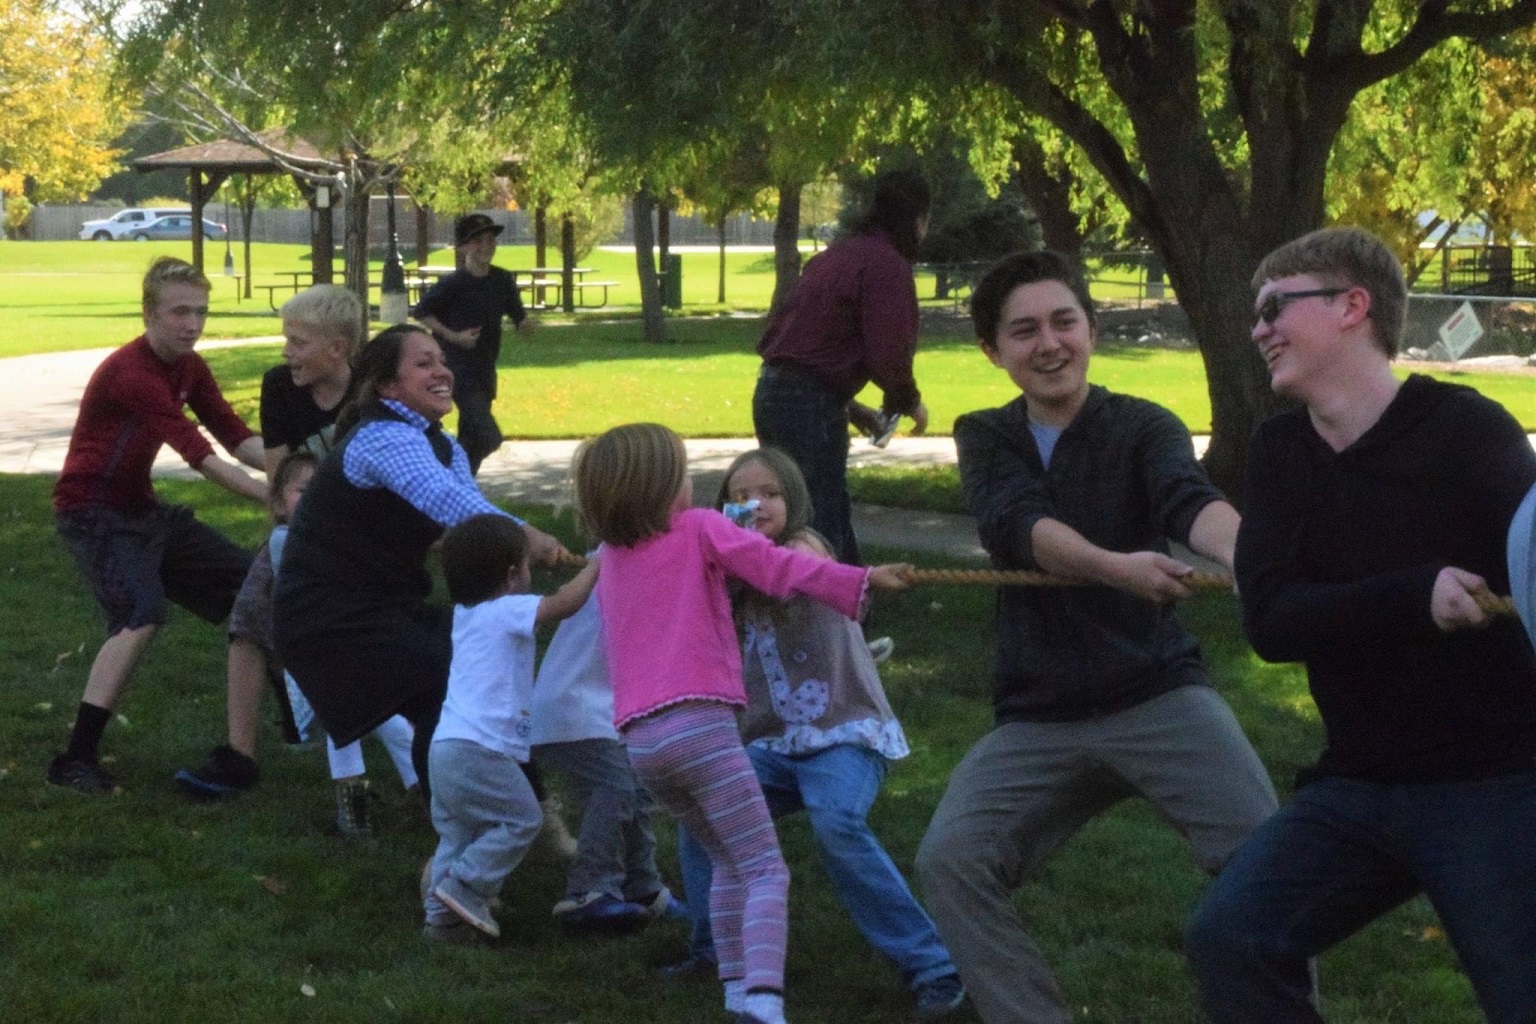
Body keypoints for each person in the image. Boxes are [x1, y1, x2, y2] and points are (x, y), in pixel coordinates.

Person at [913, 250, 1279, 1024]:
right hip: (1040, 711)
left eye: (1063, 321)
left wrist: (1248, 552)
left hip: (1157, 692)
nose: (1048, 344)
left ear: (1092, 327)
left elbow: (1188, 501)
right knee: (951, 861)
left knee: (1275, 867)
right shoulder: (986, 434)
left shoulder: (1145, 425)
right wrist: (1114, 567)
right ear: (993, 351)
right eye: (1023, 331)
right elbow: (1016, 526)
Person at [1186, 227, 1536, 1023]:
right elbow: (1271, 622)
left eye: (1277, 305)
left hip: (1495, 780)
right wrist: (1417, 596)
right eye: (1255, 313)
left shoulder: (1468, 432)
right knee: (1232, 937)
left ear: (1353, 307)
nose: (1258, 328)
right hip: (1358, 784)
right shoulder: (1279, 452)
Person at [572, 423, 914, 1024]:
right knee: (763, 867)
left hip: (642, 745)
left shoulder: (612, 559)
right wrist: (859, 581)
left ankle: (735, 992)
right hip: (701, 728)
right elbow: (782, 569)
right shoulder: (702, 528)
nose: (692, 486)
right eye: (682, 474)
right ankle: (763, 1001)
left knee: (727, 862)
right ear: (662, 486)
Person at [668, 447, 965, 1019]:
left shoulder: (804, 550)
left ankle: (934, 964)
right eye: (738, 495)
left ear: (794, 500)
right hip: (772, 745)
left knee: (836, 820)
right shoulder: (725, 567)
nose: (754, 504)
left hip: (843, 732)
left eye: (770, 493)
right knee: (702, 811)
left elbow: (783, 576)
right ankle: (712, 947)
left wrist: (721, 545)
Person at [272, 324, 567, 805]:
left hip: (384, 606)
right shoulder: (383, 438)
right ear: (389, 386)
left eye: (442, 361)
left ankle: (508, 811)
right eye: (423, 363)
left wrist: (516, 555)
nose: (441, 371)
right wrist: (526, 537)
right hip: (329, 617)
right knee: (449, 678)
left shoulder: (438, 443)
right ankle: (469, 820)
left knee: (479, 660)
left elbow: (468, 513)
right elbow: (447, 502)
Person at [48, 256, 268, 794]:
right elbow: (202, 457)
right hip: (92, 512)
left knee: (255, 591)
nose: (193, 324)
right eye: (180, 312)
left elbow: (236, 437)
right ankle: (74, 760)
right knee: (139, 615)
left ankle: (289, 728)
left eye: (201, 312)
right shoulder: (133, 373)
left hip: (141, 510)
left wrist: (303, 476)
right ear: (149, 313)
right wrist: (279, 499)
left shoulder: (190, 368)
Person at [176, 284, 364, 796]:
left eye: (299, 342)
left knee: (358, 639)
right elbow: (281, 484)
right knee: (248, 620)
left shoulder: (370, 392)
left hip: (367, 535)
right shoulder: (281, 386)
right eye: (287, 339)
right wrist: (285, 549)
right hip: (298, 527)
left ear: (338, 349)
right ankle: (240, 757)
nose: (287, 352)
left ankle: (402, 750)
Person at [423, 514, 598, 943]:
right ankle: (465, 887)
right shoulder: (506, 609)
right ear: (511, 575)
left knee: (459, 832)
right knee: (523, 818)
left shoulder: (466, 615)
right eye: (525, 566)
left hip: (445, 749)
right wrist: (599, 566)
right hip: (480, 749)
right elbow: (562, 604)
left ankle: (440, 920)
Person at [752, 168, 932, 564]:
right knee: (819, 511)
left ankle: (844, 603)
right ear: (919, 220)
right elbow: (888, 350)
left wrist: (848, 407)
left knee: (802, 505)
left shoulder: (835, 256)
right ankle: (831, 612)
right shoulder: (887, 264)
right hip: (808, 402)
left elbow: (799, 347)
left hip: (773, 391)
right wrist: (907, 401)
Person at [531, 584, 677, 933]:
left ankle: (643, 887)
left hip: (602, 705)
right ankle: (588, 890)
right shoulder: (617, 563)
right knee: (616, 787)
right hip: (573, 703)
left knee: (639, 790)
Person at [411, 212, 532, 475]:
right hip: (457, 368)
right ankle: (443, 474)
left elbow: (517, 311)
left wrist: (524, 323)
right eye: (478, 241)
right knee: (489, 436)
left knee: (472, 438)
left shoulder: (502, 280)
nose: (486, 246)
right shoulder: (453, 284)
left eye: (490, 240)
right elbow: (421, 312)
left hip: (486, 367)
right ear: (464, 247)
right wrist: (454, 336)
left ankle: (457, 491)